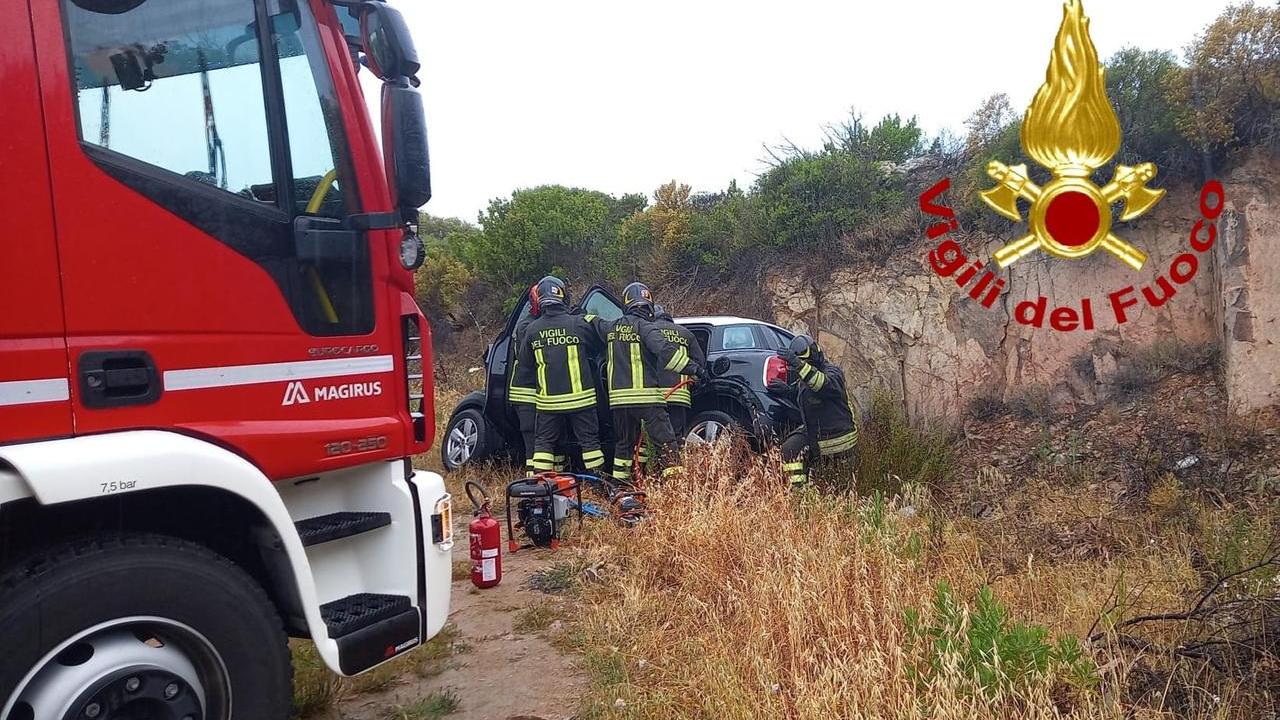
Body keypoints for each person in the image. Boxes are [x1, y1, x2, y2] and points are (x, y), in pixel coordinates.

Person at [591, 282, 704, 482]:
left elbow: (591, 321)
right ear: (649, 305)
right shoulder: (647, 328)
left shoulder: (610, 328)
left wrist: (578, 315)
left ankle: (622, 487)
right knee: (666, 443)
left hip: (619, 402)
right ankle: (675, 488)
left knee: (624, 446)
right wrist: (694, 369)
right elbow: (666, 354)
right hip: (647, 399)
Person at [516, 276, 607, 475]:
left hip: (548, 403)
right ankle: (599, 480)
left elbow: (524, 363)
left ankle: (540, 484)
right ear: (563, 296)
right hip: (581, 399)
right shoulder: (578, 324)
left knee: (543, 445)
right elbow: (597, 347)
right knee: (590, 443)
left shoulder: (531, 329)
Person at [770, 335, 858, 488]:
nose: (803, 367)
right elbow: (807, 390)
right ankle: (799, 491)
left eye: (806, 364)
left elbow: (821, 385)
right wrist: (788, 391)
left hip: (837, 438)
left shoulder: (833, 373)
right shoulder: (807, 377)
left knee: (836, 485)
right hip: (815, 433)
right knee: (789, 449)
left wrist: (798, 364)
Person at [651, 305, 704, 442]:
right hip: (679, 395)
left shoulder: (649, 332)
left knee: (651, 437)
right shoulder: (685, 333)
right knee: (676, 437)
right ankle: (674, 462)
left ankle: (654, 463)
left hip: (652, 396)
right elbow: (699, 363)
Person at [509, 284, 540, 476]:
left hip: (541, 392)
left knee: (546, 436)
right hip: (526, 391)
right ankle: (533, 478)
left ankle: (553, 475)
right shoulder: (526, 326)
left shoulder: (536, 323)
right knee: (532, 436)